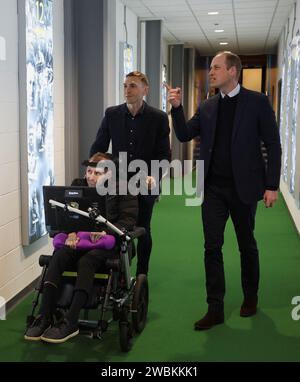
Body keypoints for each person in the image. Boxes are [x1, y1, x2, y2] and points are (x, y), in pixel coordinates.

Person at [165, 51, 282, 330]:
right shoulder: (207, 106)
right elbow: (183, 134)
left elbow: (273, 144)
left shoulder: (257, 102)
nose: (211, 72)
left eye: (217, 68)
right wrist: (177, 108)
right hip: (213, 188)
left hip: (244, 189)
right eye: (212, 68)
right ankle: (215, 307)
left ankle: (250, 297)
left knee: (246, 245)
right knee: (212, 247)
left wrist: (272, 185)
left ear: (233, 71)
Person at [24, 152, 138, 343]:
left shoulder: (124, 188)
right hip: (79, 241)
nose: (91, 177)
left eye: (97, 173)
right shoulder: (78, 185)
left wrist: (107, 233)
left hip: (109, 244)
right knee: (58, 256)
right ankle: (45, 316)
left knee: (87, 261)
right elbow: (65, 216)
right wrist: (69, 232)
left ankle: (70, 321)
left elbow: (129, 220)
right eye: (89, 172)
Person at [90, 71, 171, 276]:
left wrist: (154, 175)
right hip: (118, 183)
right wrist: (95, 168)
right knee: (117, 227)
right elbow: (98, 148)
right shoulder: (112, 114)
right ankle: (119, 271)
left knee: (142, 228)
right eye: (125, 85)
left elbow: (164, 155)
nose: (128, 90)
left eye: (133, 85)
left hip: (146, 182)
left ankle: (142, 274)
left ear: (145, 90)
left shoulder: (158, 118)